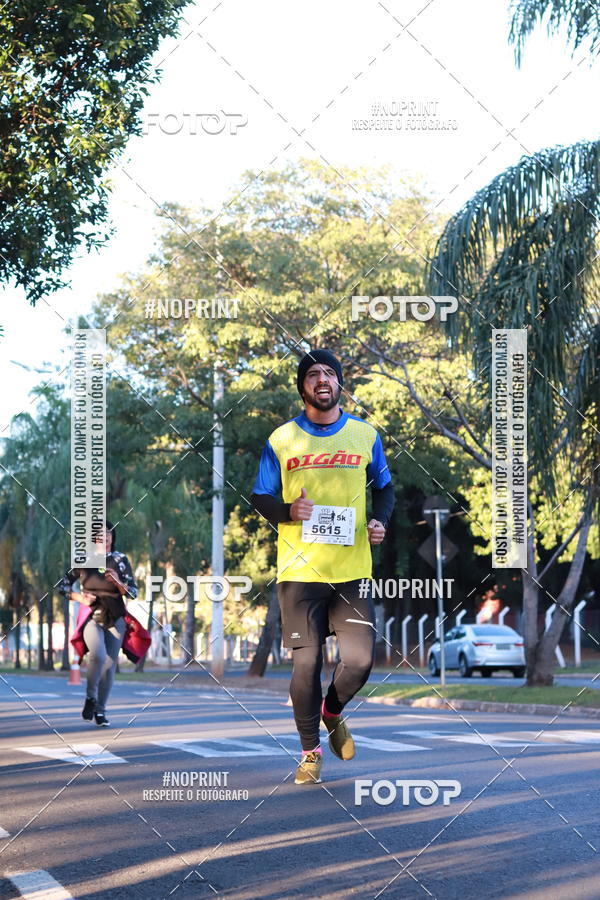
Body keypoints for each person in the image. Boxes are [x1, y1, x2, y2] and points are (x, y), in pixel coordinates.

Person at [251, 349, 394, 784]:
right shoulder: (281, 439)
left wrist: (379, 522)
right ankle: (310, 750)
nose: (322, 379)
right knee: (305, 665)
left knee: (361, 660)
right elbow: (260, 497)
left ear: (339, 384)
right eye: (313, 374)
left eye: (329, 372)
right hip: (299, 573)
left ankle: (332, 711)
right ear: (303, 386)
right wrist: (289, 511)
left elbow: (386, 489)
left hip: (352, 571)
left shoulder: (365, 434)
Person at [60, 520, 138, 726]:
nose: (105, 536)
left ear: (113, 537)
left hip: (116, 614)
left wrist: (119, 583)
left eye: (109, 533)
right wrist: (79, 598)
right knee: (98, 655)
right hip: (91, 613)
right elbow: (63, 585)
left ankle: (101, 711)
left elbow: (133, 591)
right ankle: (90, 698)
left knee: (110, 664)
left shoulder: (120, 559)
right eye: (100, 533)